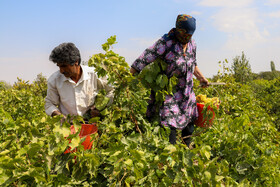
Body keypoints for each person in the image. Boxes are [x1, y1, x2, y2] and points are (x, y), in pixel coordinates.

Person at [130, 14, 209, 147]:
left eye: (189, 35)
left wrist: (201, 78)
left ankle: (186, 149)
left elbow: (192, 63)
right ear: (178, 29)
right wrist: (129, 77)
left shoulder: (192, 44)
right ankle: (168, 156)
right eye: (184, 34)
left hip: (187, 92)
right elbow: (144, 58)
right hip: (169, 93)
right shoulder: (166, 43)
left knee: (189, 122)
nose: (187, 38)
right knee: (169, 123)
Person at [45, 42, 114, 120]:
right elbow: (49, 104)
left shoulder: (94, 74)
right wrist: (60, 117)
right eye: (59, 66)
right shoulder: (54, 80)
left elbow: (112, 91)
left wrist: (100, 108)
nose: (61, 71)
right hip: (68, 127)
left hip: (93, 124)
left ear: (76, 62)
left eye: (64, 66)